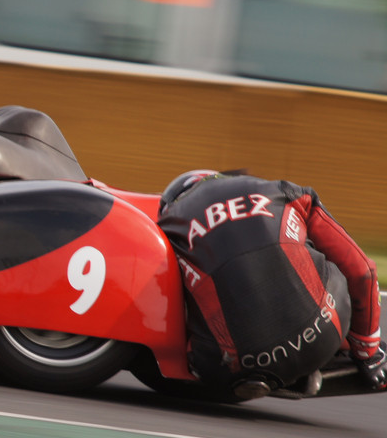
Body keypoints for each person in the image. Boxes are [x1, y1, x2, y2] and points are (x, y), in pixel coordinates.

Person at [157, 170, 386, 400]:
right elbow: (363, 271)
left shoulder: (170, 226)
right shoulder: (282, 191)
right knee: (331, 267)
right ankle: (342, 351)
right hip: (322, 334)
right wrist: (369, 352)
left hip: (225, 364)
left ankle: (249, 367)